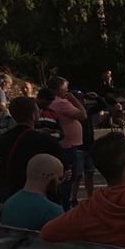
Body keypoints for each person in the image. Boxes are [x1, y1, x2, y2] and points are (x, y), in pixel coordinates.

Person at [0, 96, 70, 219]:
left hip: (12, 194)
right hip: (41, 195)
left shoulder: (3, 139)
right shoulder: (45, 140)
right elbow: (64, 168)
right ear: (33, 116)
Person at [45, 77, 88, 207]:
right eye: (65, 89)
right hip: (68, 145)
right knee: (68, 177)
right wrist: (74, 99)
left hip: (61, 143)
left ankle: (61, 203)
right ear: (59, 90)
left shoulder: (51, 102)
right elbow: (83, 115)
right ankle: (64, 205)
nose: (67, 91)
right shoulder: (61, 103)